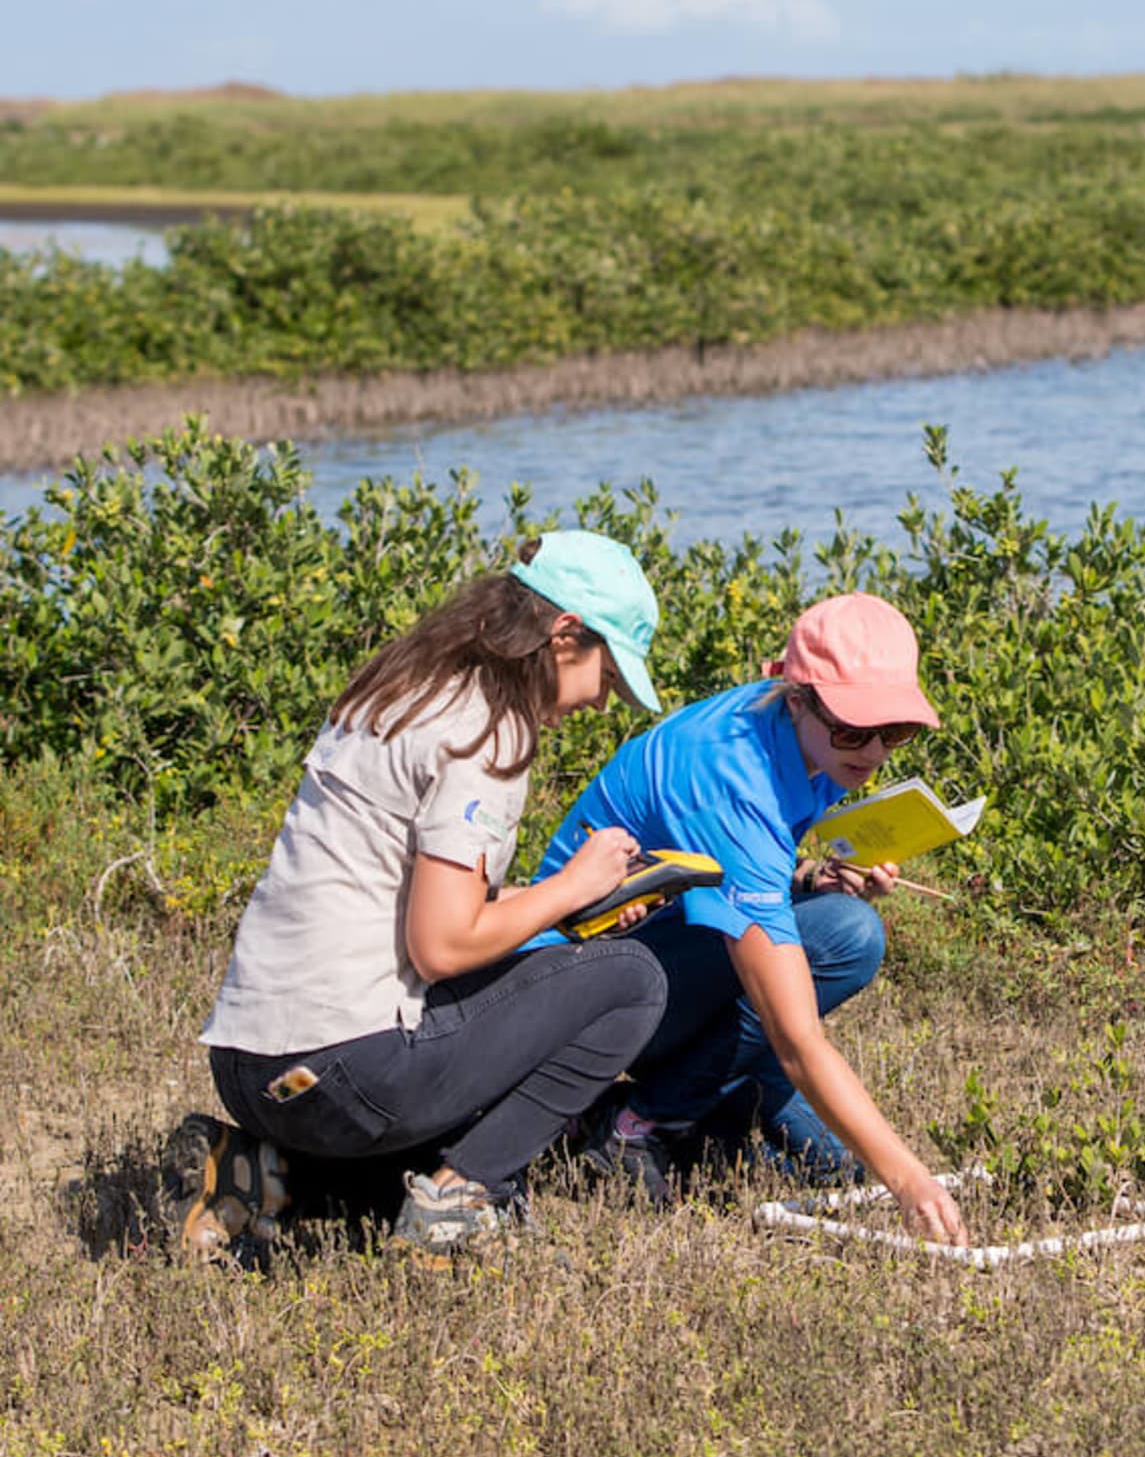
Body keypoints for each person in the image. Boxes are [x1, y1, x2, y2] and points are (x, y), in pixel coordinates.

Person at [169, 531, 668, 1263]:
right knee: (633, 982)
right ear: (565, 636)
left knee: (400, 1173)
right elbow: (441, 946)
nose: (602, 704)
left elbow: (420, 907)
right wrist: (570, 888)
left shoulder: (405, 687)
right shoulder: (488, 731)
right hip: (341, 1067)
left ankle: (267, 1172)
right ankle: (458, 1202)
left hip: (250, 1064)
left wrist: (568, 904)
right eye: (608, 675)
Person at [535, 592, 969, 1247]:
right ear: (796, 697)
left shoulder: (798, 735)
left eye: (895, 732)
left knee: (836, 1169)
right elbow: (794, 1036)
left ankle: (673, 1118)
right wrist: (908, 1177)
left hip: (654, 952)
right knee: (847, 935)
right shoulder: (730, 772)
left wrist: (808, 880)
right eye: (854, 729)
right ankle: (637, 1124)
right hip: (569, 999)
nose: (875, 752)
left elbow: (728, 875)